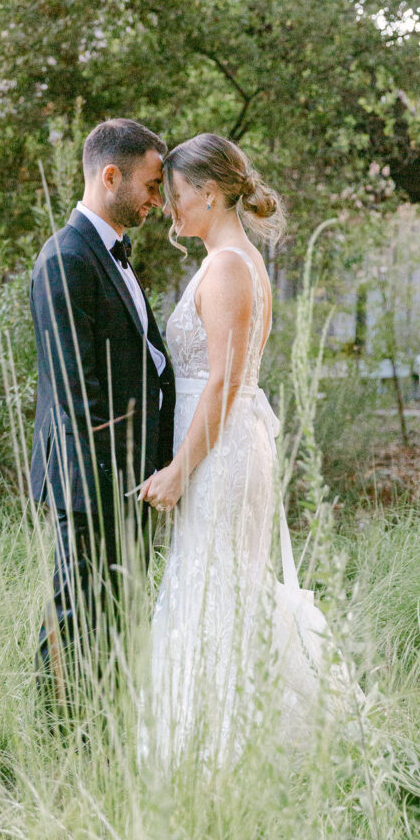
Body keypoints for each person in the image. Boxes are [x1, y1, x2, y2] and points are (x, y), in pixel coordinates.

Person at [139, 133, 359, 768]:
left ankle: (228, 754)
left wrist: (181, 468)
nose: (170, 209)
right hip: (220, 447)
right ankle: (209, 743)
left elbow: (225, 382)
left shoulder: (232, 265)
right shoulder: (224, 260)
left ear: (208, 193)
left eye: (176, 196)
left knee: (219, 591)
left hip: (220, 452)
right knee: (214, 587)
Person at [30, 118, 175, 709]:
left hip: (131, 479)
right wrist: (123, 484)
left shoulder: (112, 254)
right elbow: (77, 396)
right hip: (92, 482)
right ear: (110, 175)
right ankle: (56, 733)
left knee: (114, 614)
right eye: (151, 184)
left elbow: (143, 361)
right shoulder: (67, 258)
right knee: (74, 610)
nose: (157, 199)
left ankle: (105, 726)